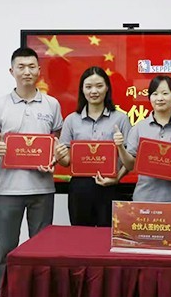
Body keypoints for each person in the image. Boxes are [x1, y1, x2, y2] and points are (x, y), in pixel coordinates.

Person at [0, 47, 63, 288]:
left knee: (42, 249)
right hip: (8, 189)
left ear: (39, 70)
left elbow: (56, 142)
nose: (27, 72)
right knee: (7, 248)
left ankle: (40, 292)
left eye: (31, 67)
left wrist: (53, 157)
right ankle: (5, 291)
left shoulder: (52, 104)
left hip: (42, 188)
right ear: (12, 71)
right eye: (21, 67)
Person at [117, 76, 171, 228]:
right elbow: (130, 165)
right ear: (149, 98)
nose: (160, 98)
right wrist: (120, 147)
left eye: (165, 93)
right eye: (155, 94)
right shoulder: (139, 128)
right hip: (146, 201)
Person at [54, 66, 131, 226]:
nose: (94, 91)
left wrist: (117, 178)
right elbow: (66, 162)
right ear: (82, 90)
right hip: (80, 189)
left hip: (110, 187)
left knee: (108, 236)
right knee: (81, 236)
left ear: (107, 88)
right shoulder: (71, 120)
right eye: (88, 87)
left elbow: (131, 160)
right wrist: (60, 156)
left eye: (99, 86)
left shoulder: (120, 119)